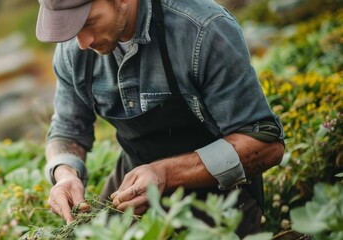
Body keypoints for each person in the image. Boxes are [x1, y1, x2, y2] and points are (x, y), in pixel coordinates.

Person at [36, 0, 285, 237]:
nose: (82, 42)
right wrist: (65, 174)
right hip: (131, 190)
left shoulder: (203, 29)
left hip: (221, 199)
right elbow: (68, 130)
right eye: (73, 27)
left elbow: (266, 145)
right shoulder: (74, 50)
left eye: (89, 22)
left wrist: (165, 173)